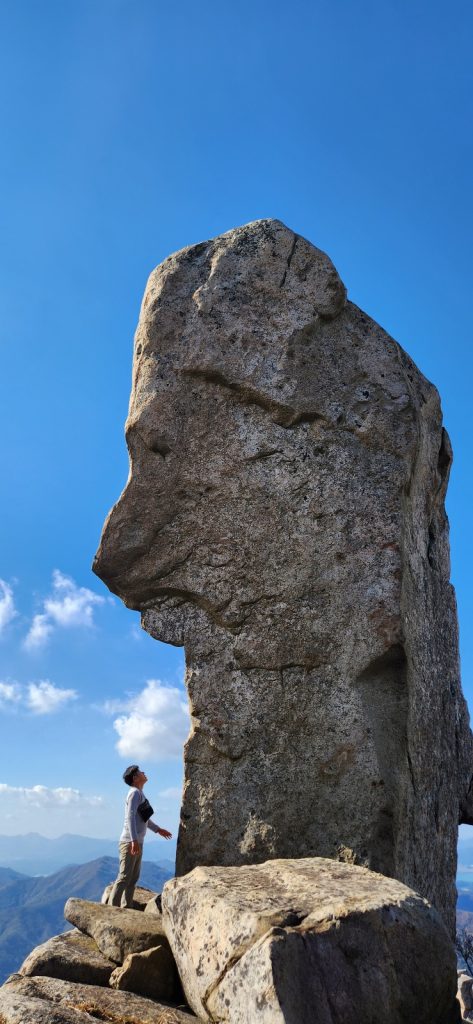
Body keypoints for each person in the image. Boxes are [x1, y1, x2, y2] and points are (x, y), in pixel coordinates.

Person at [108, 764, 172, 908]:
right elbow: (130, 817)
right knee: (124, 877)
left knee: (133, 878)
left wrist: (158, 830)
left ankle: (127, 907)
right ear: (135, 778)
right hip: (130, 842)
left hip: (137, 841)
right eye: (140, 772)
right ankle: (111, 910)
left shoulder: (139, 793)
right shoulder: (134, 793)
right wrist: (133, 840)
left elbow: (144, 819)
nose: (144, 773)